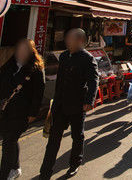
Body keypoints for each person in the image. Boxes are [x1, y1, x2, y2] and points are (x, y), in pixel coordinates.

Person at [40, 29, 98, 179]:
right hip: (60, 104)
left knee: (77, 136)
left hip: (78, 105)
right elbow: (59, 81)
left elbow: (93, 81)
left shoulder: (88, 58)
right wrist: (54, 103)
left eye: (71, 38)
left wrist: (89, 101)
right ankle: (45, 172)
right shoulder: (64, 56)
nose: (67, 41)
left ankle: (75, 163)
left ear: (80, 40)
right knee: (53, 139)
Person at [0, 39, 46, 180]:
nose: (21, 52)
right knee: (9, 139)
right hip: (6, 109)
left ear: (31, 51)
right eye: (19, 49)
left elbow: (38, 93)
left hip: (22, 112)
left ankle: (3, 176)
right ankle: (15, 167)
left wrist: (33, 113)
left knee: (8, 141)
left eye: (25, 49)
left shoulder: (35, 69)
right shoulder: (10, 65)